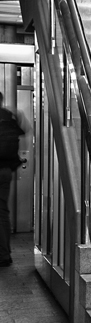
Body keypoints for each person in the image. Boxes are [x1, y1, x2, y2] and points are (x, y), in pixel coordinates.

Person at [0, 91, 24, 268]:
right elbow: (23, 132)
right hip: (5, 171)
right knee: (2, 213)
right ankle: (4, 254)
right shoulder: (9, 118)